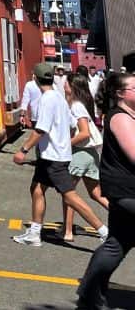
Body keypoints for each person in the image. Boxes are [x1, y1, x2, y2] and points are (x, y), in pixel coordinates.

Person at [12, 62, 108, 247]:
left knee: (70, 196)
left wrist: (23, 150)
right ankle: (34, 233)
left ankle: (103, 231)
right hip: (53, 156)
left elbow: (41, 129)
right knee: (37, 188)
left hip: (53, 157)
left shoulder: (47, 99)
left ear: (35, 79)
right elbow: (72, 124)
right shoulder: (59, 98)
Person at [78, 71, 135, 309]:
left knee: (117, 243)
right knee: (116, 243)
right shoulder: (121, 118)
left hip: (122, 191)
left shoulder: (129, 116)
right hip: (128, 192)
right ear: (121, 94)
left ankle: (90, 295)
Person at [61, 71, 109, 242]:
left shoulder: (76, 106)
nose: (63, 84)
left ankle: (67, 231)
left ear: (72, 86)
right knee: (95, 193)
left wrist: (66, 143)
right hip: (89, 153)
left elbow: (84, 134)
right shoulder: (76, 104)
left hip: (80, 153)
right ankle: (125, 217)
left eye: (65, 82)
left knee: (68, 193)